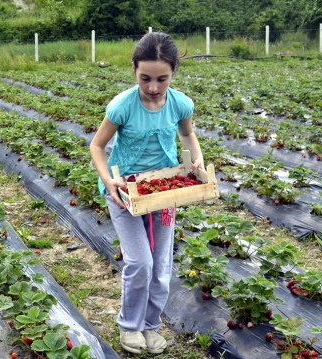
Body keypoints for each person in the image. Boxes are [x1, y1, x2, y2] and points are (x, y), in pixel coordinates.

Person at [89, 32, 205, 354]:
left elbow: (189, 134)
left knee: (161, 265)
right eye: (145, 78)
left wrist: (197, 157)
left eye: (162, 79)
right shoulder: (122, 106)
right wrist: (109, 181)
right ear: (133, 70)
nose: (153, 87)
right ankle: (130, 327)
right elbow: (97, 146)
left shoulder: (180, 103)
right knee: (140, 263)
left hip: (165, 190)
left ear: (173, 73)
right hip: (126, 191)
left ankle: (151, 326)